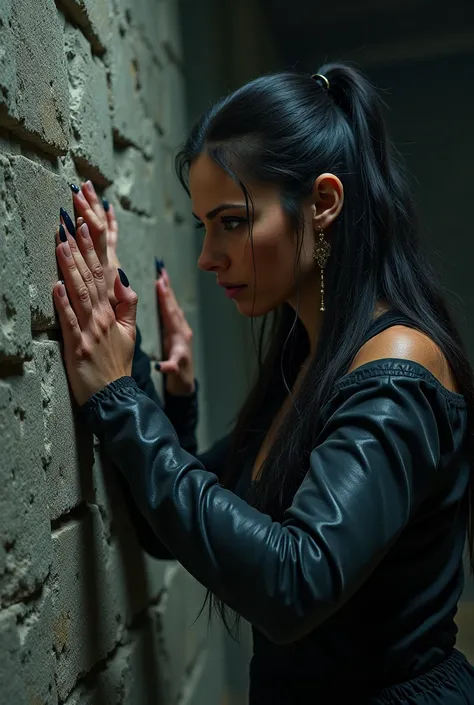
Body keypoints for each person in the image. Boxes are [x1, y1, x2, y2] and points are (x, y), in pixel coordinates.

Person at [53, 63, 474, 703]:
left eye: (232, 221)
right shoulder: (308, 362)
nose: (207, 256)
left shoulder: (397, 369)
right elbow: (171, 530)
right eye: (203, 226)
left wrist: (118, 403)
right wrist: (139, 370)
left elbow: (292, 581)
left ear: (323, 203)